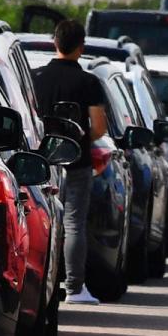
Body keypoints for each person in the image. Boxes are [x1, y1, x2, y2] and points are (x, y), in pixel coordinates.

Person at [32, 20, 108, 305]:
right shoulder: (89, 82)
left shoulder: (35, 77)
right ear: (81, 47)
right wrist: (82, 139)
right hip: (77, 161)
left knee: (42, 221)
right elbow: (99, 127)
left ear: (55, 42)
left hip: (41, 162)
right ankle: (74, 287)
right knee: (74, 222)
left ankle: (40, 283)